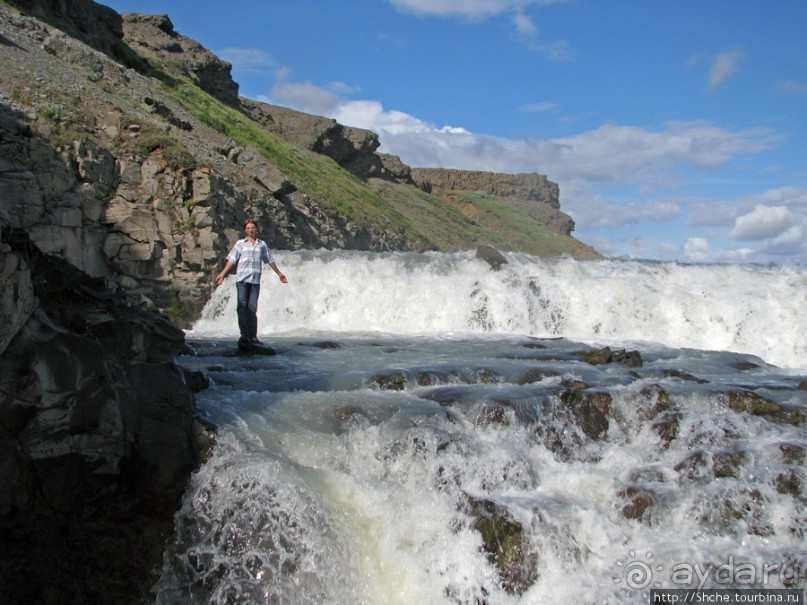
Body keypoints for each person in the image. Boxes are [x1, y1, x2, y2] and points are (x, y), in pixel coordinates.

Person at [215, 218, 287, 347]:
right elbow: (232, 260)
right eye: (248, 228)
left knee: (252, 308)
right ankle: (244, 335)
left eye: (252, 228)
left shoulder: (262, 245)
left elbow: (269, 260)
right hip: (242, 279)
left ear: (256, 229)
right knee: (242, 307)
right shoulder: (240, 244)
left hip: (254, 281)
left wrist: (279, 273)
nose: (250, 230)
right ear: (245, 230)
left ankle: (253, 336)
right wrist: (222, 274)